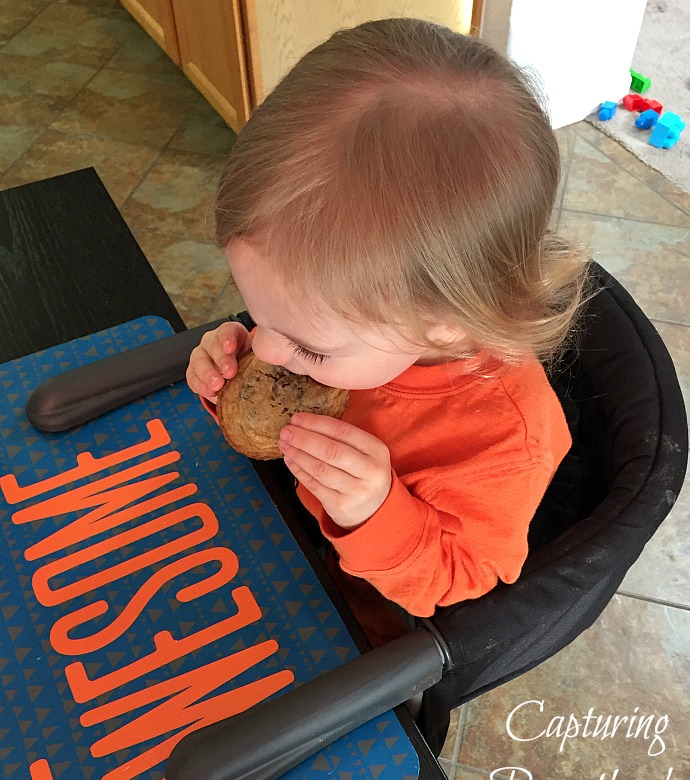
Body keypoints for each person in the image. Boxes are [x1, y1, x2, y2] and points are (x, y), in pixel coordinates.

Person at [186, 18, 588, 646]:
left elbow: (464, 582)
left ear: (447, 323)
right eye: (256, 312)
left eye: (308, 346)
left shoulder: (506, 442)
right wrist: (224, 384)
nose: (264, 347)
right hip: (268, 532)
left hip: (359, 611)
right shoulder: (352, 326)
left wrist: (375, 513)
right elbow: (273, 420)